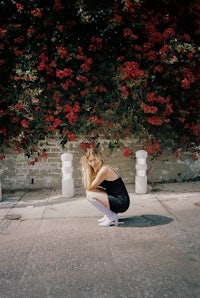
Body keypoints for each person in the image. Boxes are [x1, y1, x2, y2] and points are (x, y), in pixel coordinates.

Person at [80, 147, 130, 227]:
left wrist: (87, 169)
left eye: (95, 159)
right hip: (113, 197)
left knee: (90, 195)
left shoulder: (104, 169)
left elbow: (89, 187)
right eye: (90, 161)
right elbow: (86, 186)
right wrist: (85, 169)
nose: (93, 163)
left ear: (99, 158)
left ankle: (111, 216)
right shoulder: (96, 169)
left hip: (121, 202)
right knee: (89, 192)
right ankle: (108, 215)